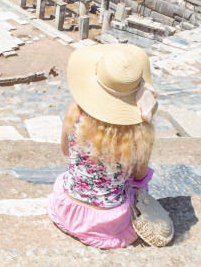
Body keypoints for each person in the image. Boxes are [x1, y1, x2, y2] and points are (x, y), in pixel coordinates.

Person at [47, 43, 157, 249]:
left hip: (68, 207)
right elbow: (140, 175)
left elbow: (65, 151)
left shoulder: (74, 112)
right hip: (110, 220)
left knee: (65, 179)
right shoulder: (142, 132)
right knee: (139, 184)